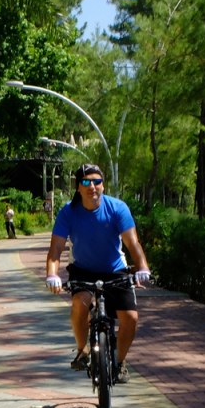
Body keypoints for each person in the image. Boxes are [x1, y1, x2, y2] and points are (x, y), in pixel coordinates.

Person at [45, 163, 151, 383]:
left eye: (97, 181)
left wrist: (142, 267)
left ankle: (119, 362)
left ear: (103, 185)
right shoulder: (68, 212)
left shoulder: (118, 208)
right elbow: (56, 249)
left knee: (130, 318)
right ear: (78, 187)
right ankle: (82, 350)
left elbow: (133, 243)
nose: (91, 186)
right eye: (85, 182)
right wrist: (52, 275)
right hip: (82, 269)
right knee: (80, 303)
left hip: (115, 269)